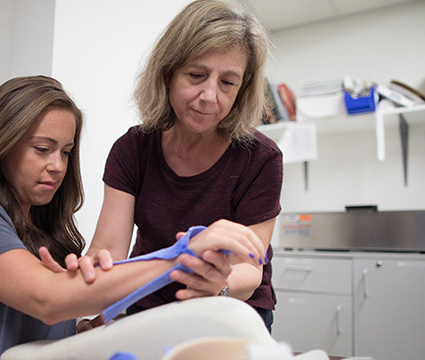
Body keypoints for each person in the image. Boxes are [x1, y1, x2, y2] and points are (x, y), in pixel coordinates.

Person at [0, 75, 266, 359]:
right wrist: (182, 254)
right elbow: (46, 299)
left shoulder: (45, 232)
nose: (57, 166)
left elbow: (45, 323)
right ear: (2, 144)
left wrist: (80, 334)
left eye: (66, 152)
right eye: (42, 149)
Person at [70, 0, 283, 332]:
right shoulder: (132, 150)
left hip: (232, 312)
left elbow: (250, 270)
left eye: (227, 82)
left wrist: (218, 285)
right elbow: (108, 251)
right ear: (167, 74)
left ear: (242, 90)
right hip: (150, 308)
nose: (209, 96)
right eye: (196, 75)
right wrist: (92, 298)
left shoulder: (261, 158)